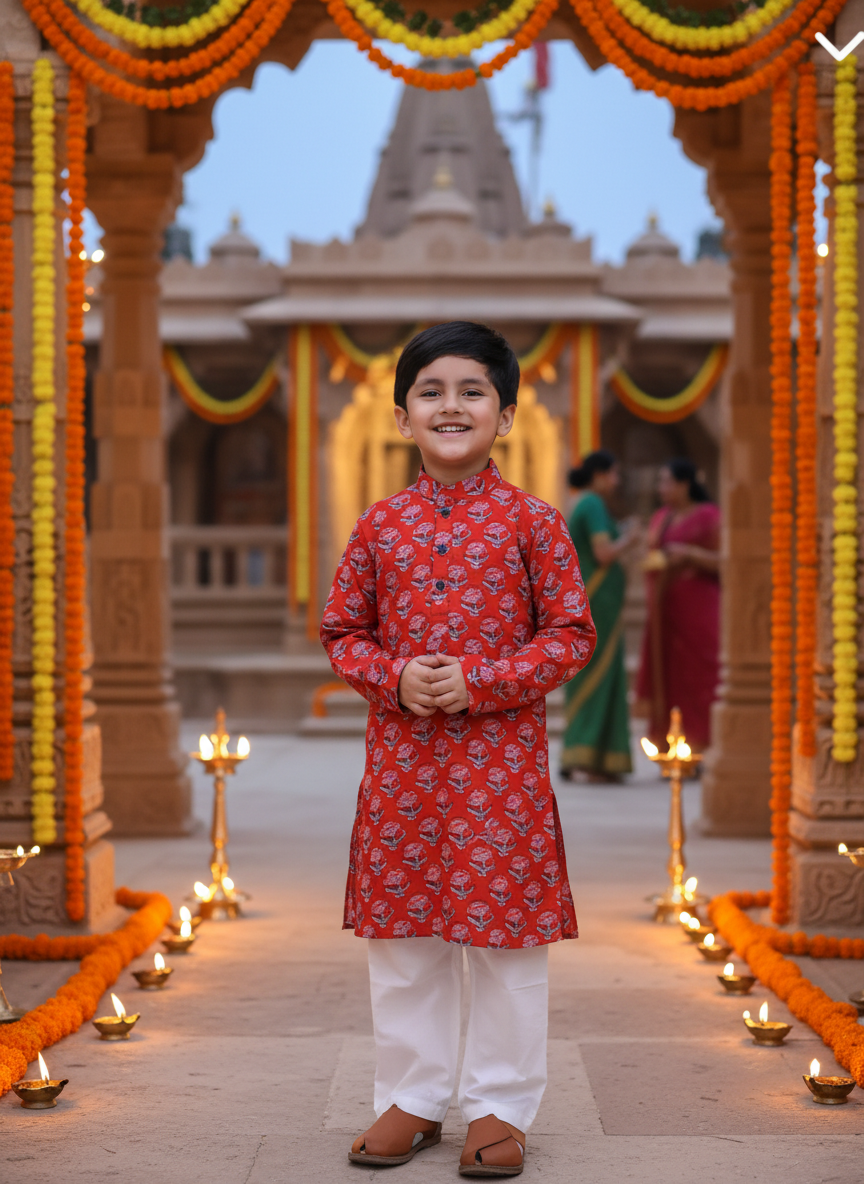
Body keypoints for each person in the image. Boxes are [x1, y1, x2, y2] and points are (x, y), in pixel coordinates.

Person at [320, 321, 596, 1177]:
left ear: (505, 416)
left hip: (500, 768)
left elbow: (571, 634)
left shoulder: (535, 524)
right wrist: (394, 676)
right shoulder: (380, 526)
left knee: (505, 942)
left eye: (472, 391)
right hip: (403, 767)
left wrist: (483, 681)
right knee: (405, 940)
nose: (451, 405)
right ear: (401, 416)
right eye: (430, 391)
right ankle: (412, 1097)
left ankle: (500, 1106)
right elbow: (342, 630)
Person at [560, 450, 639, 783]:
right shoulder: (592, 503)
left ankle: (593, 757)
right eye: (614, 474)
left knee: (600, 677)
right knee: (598, 678)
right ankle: (588, 758)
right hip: (597, 604)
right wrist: (630, 539)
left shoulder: (586, 503)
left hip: (600, 603)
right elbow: (603, 553)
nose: (617, 481)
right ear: (599, 475)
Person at [636, 457, 720, 750]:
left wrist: (689, 554)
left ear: (685, 484)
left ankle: (704, 742)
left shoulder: (709, 516)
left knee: (702, 673)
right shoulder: (662, 518)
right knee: (670, 676)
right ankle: (672, 743)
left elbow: (727, 561)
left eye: (667, 481)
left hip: (699, 606)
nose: (661, 488)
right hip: (666, 609)